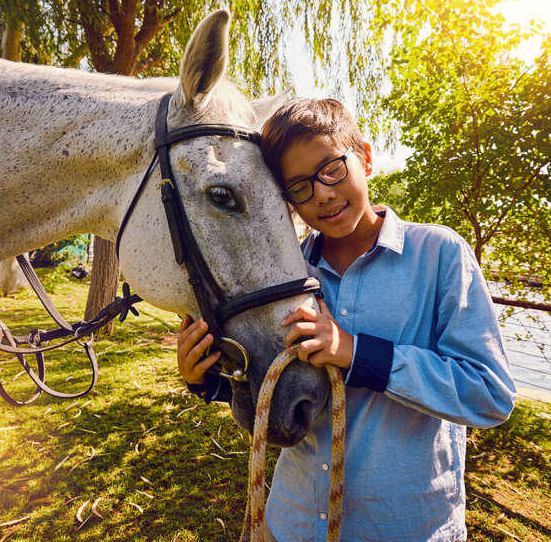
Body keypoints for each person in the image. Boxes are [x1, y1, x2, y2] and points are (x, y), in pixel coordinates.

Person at [176, 98, 516, 541]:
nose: (321, 193)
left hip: (402, 528)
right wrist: (205, 380)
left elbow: (489, 394)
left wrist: (356, 353)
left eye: (331, 169)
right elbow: (275, 388)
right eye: (299, 186)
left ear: (366, 159)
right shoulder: (285, 274)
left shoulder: (439, 254)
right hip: (290, 522)